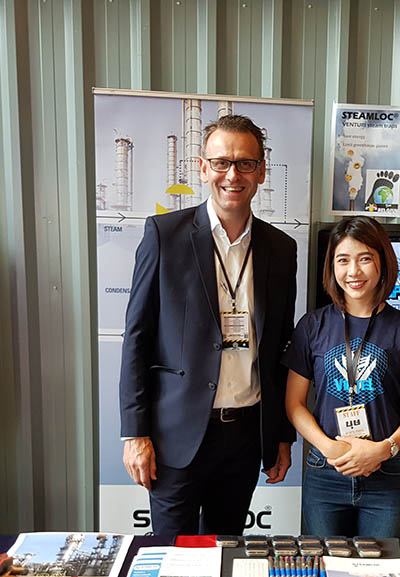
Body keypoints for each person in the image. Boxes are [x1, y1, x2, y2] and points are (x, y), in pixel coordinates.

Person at [120, 115, 297, 535]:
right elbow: (137, 339)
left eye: (245, 163)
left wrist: (281, 436)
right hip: (176, 437)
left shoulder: (281, 248)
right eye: (221, 162)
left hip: (245, 438)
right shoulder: (165, 235)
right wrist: (135, 434)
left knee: (226, 552)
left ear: (261, 171)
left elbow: (280, 349)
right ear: (203, 168)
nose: (233, 175)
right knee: (172, 558)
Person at [283, 217, 400, 538]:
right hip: (326, 473)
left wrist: (383, 449)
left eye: (365, 258)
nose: (353, 271)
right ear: (332, 267)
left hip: (387, 474)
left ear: (383, 263)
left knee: (380, 566)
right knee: (327, 563)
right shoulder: (312, 326)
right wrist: (328, 447)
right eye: (343, 260)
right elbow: (294, 403)